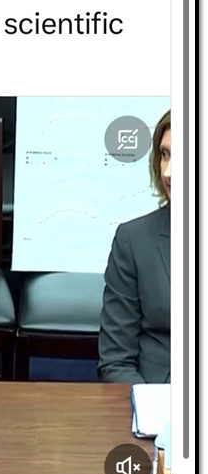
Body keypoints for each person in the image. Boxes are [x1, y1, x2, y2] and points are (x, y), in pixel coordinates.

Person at [98, 110, 171, 384]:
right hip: (161, 400)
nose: (168, 172)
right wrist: (153, 411)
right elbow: (116, 361)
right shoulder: (134, 241)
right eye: (164, 155)